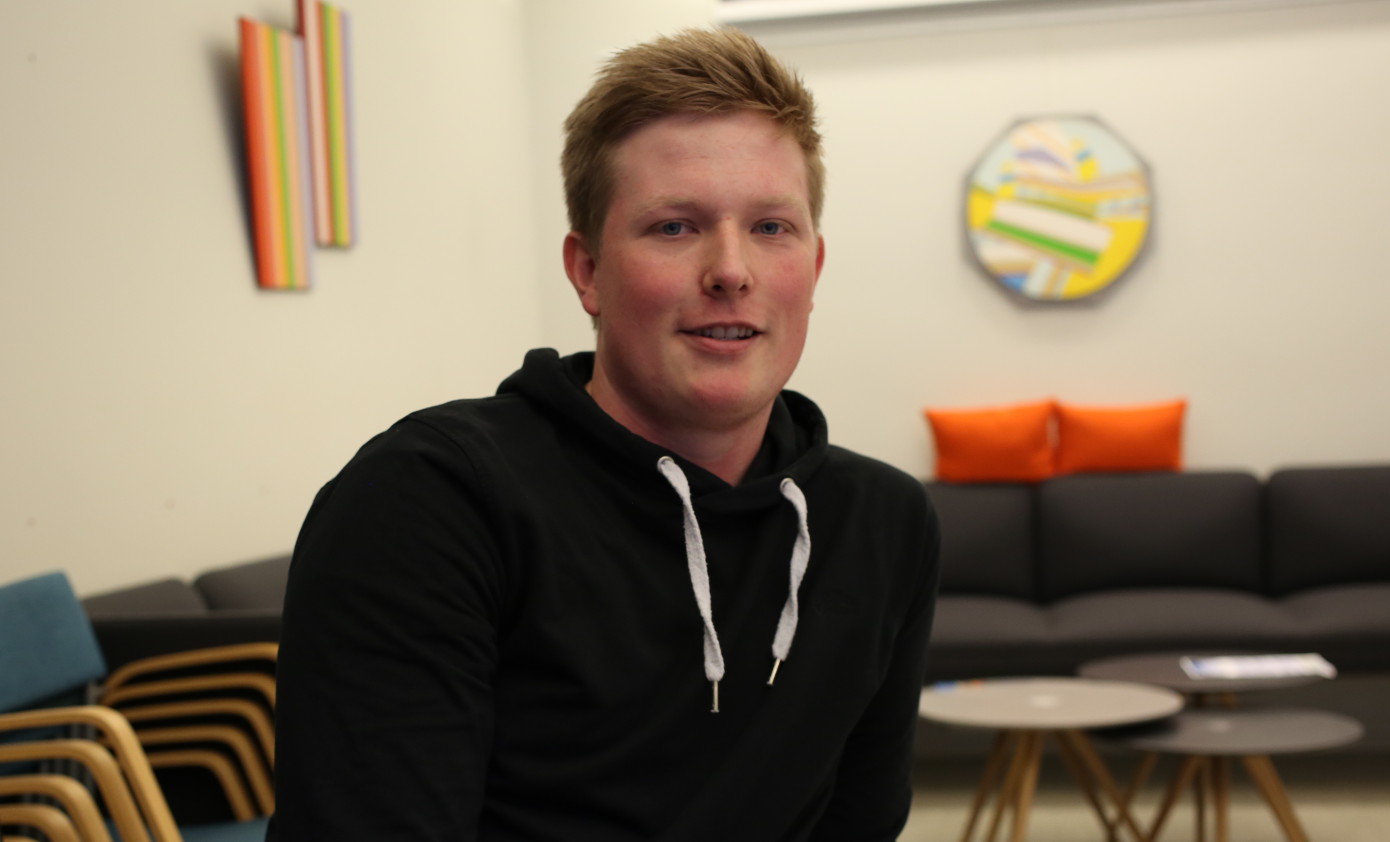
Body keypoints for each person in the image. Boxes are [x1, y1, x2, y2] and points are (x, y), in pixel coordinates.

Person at [268, 26, 940, 842]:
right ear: (588, 271)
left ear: (814, 268)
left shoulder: (884, 522)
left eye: (771, 227)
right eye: (675, 227)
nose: (732, 271)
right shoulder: (430, 502)